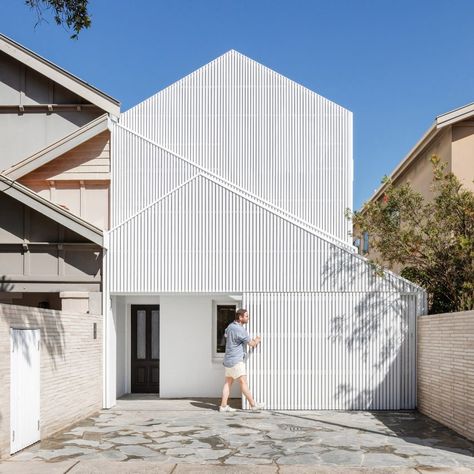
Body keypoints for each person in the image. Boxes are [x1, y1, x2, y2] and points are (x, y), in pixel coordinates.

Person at [219, 308, 265, 412]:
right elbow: (252, 344)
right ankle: (253, 405)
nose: (248, 318)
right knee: (243, 382)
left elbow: (226, 336)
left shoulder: (230, 326)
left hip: (228, 360)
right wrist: (257, 340)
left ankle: (223, 406)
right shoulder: (240, 330)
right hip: (236, 361)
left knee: (228, 383)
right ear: (240, 317)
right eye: (247, 316)